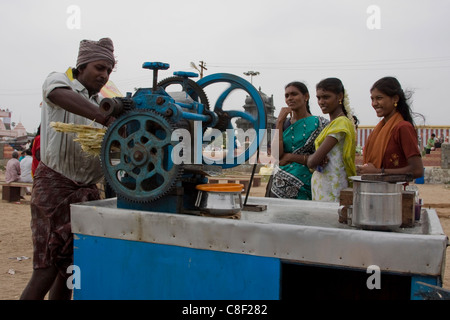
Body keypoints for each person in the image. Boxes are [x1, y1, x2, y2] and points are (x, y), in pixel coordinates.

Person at [20, 37, 117, 300]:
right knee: (46, 269)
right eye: (99, 68)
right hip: (55, 189)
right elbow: (57, 95)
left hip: (86, 194)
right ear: (82, 65)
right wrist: (104, 117)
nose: (104, 75)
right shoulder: (59, 81)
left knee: (69, 271)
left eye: (109, 70)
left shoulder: (102, 102)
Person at [266, 81, 328, 200]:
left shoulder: (320, 124)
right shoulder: (282, 123)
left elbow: (321, 158)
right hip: (278, 185)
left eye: (294, 94)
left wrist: (289, 157)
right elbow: (276, 155)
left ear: (306, 96)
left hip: (306, 184)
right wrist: (279, 121)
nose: (290, 98)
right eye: (287, 95)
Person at [358, 76, 423, 178]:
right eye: (372, 99)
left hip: (395, 192)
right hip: (377, 190)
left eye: (379, 98)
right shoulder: (379, 129)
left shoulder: (403, 128)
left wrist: (378, 172)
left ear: (395, 99)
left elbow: (417, 170)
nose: (374, 104)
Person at [307, 78, 357, 202]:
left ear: (340, 96)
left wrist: (313, 159)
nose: (321, 102)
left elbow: (312, 162)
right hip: (325, 187)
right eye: (318, 98)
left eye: (326, 97)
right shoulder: (333, 124)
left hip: (332, 188)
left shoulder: (340, 123)